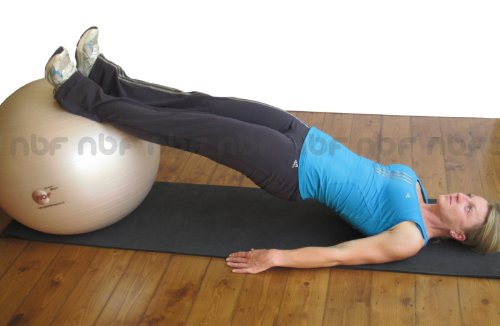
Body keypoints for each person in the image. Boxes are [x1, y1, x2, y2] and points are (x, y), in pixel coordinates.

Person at [44, 27, 499, 274]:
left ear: (460, 234)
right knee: (200, 103)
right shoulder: (417, 187)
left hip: (291, 167)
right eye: (472, 197)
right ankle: (104, 75)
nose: (463, 196)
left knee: (187, 127)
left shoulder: (409, 238)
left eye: (469, 208)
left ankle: (78, 93)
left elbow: (339, 255)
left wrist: (277, 257)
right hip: (300, 133)